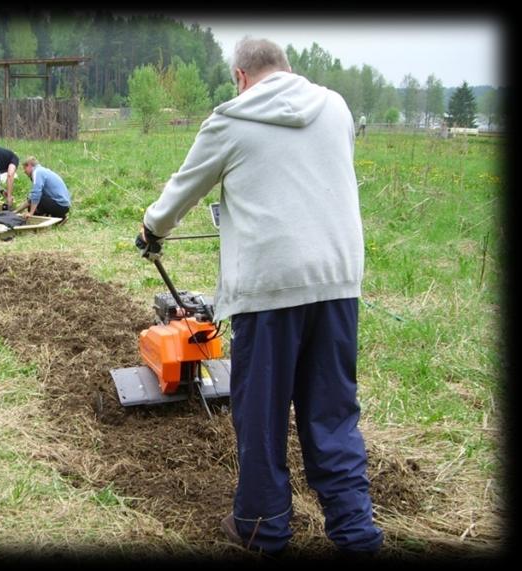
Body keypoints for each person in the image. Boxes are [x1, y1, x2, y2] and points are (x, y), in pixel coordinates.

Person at [135, 37, 383, 556]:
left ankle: (263, 527)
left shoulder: (231, 119)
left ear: (241, 77)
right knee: (333, 413)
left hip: (270, 290)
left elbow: (184, 189)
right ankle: (356, 533)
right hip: (338, 282)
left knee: (263, 414)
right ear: (287, 71)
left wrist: (152, 228)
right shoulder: (335, 107)